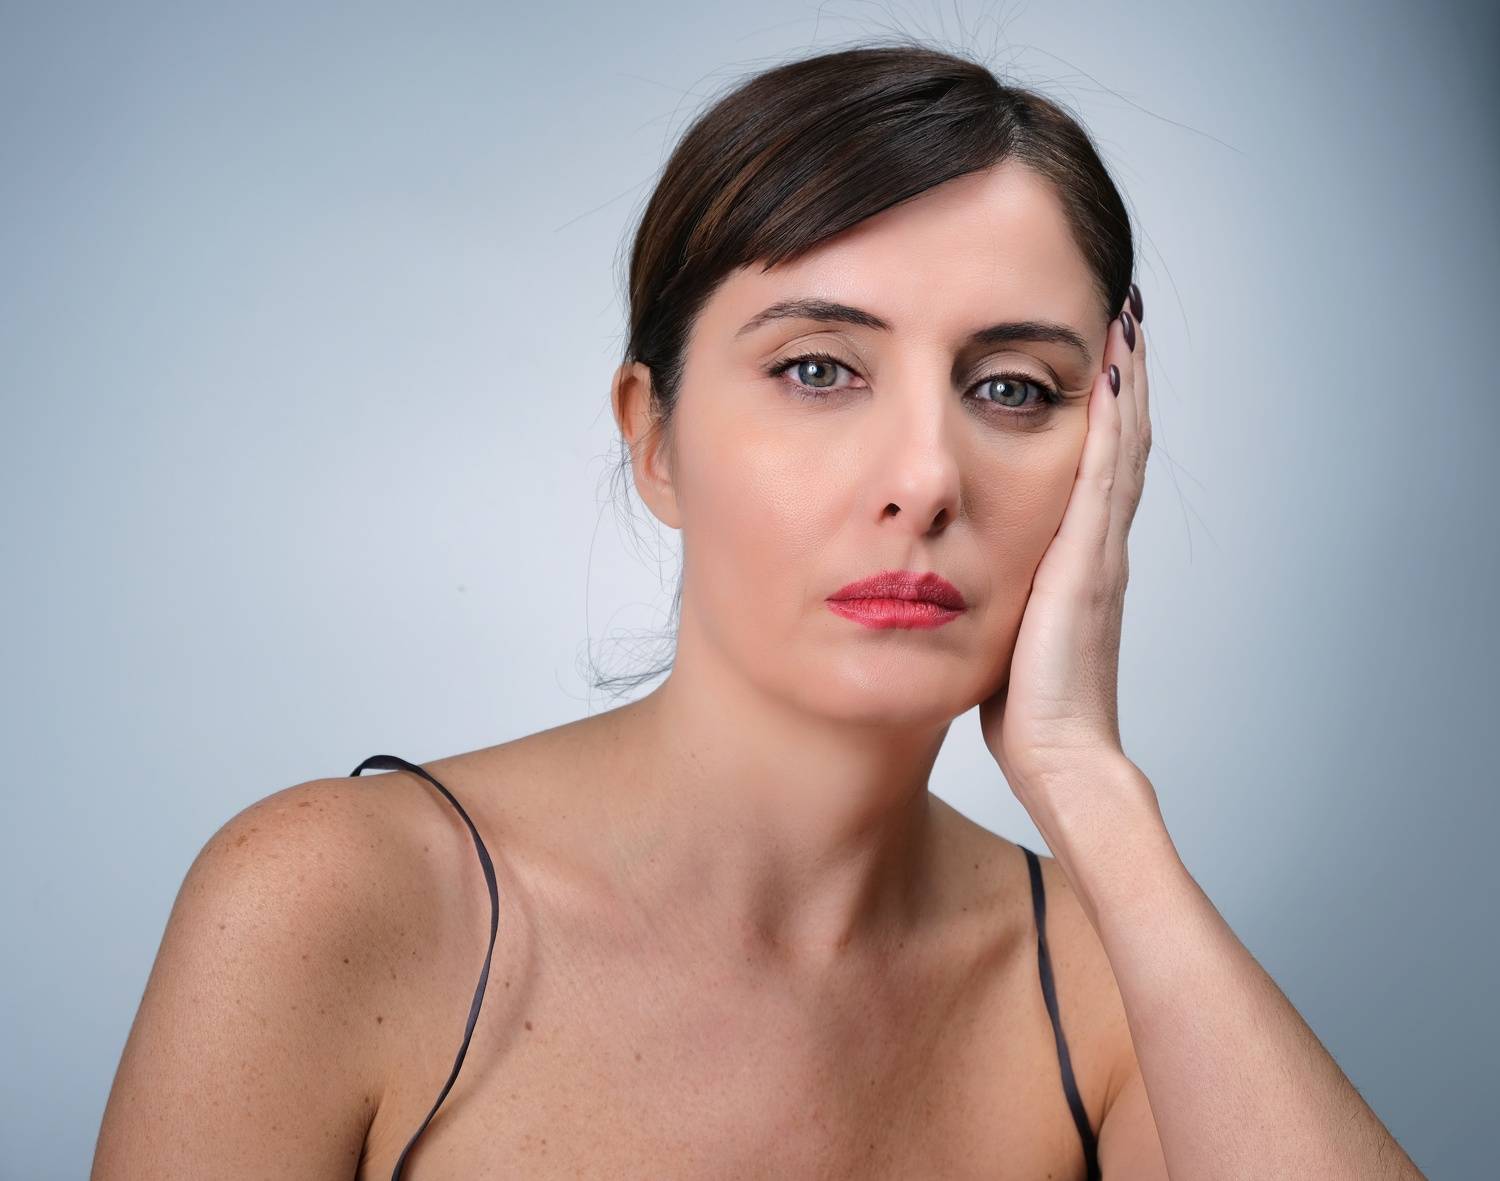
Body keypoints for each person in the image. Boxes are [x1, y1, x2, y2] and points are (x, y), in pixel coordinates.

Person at [92, 40, 1425, 1180]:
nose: (925, 478)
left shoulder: (1115, 982)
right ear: (654, 438)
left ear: (1108, 454)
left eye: (1013, 389)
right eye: (818, 369)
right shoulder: (333, 904)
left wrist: (1091, 787)